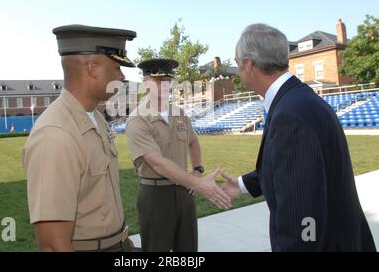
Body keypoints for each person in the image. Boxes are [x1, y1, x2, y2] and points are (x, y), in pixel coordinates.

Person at [221, 23, 376, 251]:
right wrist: (244, 184)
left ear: (249, 63)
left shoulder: (290, 115)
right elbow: (295, 169)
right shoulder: (299, 100)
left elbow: (304, 214)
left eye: (237, 62)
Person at [22, 24, 137, 252]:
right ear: (93, 68)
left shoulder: (95, 116)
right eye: (116, 67)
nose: (122, 76)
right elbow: (53, 244)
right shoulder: (55, 135)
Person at [125, 58, 231, 252]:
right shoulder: (138, 119)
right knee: (158, 249)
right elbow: (157, 163)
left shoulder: (179, 113)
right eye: (158, 81)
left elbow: (193, 141)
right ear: (146, 84)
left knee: (188, 249)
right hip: (156, 195)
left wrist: (197, 170)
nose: (164, 85)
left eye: (168, 80)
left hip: (184, 192)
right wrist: (197, 184)